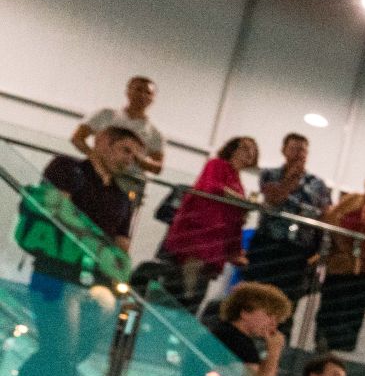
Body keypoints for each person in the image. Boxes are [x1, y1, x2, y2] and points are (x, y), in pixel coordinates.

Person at [9, 124, 139, 376]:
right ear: (103, 141)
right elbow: (55, 212)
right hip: (56, 273)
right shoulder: (67, 168)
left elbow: (122, 245)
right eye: (126, 150)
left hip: (97, 284)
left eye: (134, 155)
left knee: (73, 354)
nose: (129, 160)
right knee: (61, 351)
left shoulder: (122, 197)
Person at [244, 131, 331, 323]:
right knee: (254, 293)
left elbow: (326, 217)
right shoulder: (270, 174)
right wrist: (292, 178)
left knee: (285, 301)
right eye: (294, 149)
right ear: (283, 150)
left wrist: (320, 251)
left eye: (303, 151)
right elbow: (274, 198)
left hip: (298, 250)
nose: (299, 154)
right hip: (267, 243)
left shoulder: (318, 184)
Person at [161, 136, 257, 310]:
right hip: (200, 232)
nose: (248, 152)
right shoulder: (217, 164)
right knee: (185, 286)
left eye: (252, 150)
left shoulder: (237, 181)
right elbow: (212, 187)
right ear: (233, 148)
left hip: (215, 238)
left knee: (197, 288)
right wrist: (242, 202)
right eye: (244, 147)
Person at [316, 174, 365, 352]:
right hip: (343, 264)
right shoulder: (355, 200)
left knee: (353, 310)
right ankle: (322, 344)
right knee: (333, 304)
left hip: (364, 269)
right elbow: (332, 217)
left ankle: (340, 349)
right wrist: (342, 244)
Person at [72, 75, 166, 198]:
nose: (142, 95)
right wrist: (94, 157)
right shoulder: (105, 115)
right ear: (128, 91)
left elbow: (158, 168)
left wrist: (136, 158)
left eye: (148, 93)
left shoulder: (155, 133)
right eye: (138, 89)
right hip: (93, 174)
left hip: (126, 186)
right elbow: (77, 138)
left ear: (153, 98)